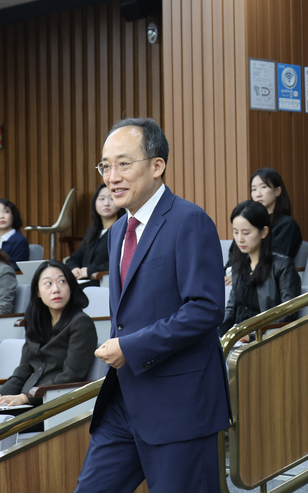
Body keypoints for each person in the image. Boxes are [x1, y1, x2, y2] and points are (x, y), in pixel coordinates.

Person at [75, 118, 231, 493]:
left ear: (157, 166)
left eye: (124, 164)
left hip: (178, 407)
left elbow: (206, 308)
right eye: (106, 166)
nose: (112, 176)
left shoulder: (188, 221)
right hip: (122, 401)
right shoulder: (115, 233)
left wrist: (130, 347)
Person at [0, 260, 96, 409]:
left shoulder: (81, 323)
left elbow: (71, 377)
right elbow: (23, 370)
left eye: (62, 281)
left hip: (53, 407)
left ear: (71, 287)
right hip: (26, 401)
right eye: (48, 283)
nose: (56, 289)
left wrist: (26, 398)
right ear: (38, 292)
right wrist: (2, 395)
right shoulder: (37, 322)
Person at [218, 200, 301, 338]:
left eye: (246, 233)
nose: (240, 239)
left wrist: (251, 336)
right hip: (237, 338)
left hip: (265, 340)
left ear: (264, 232)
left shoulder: (282, 266)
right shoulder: (239, 266)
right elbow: (230, 311)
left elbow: (288, 313)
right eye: (235, 232)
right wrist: (218, 335)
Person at [224, 168, 302, 284]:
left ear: (277, 191)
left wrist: (241, 276)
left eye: (263, 187)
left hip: (267, 281)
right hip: (240, 278)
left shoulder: (287, 224)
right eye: (254, 189)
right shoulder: (246, 222)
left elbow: (277, 259)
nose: (258, 194)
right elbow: (233, 259)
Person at [66, 184, 125, 288]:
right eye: (101, 199)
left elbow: (121, 262)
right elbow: (74, 258)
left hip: (104, 285)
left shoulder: (123, 231)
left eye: (111, 198)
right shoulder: (91, 232)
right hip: (83, 284)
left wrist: (89, 271)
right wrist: (74, 269)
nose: (106, 203)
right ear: (95, 203)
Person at [0, 198, 29, 270]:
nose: (1, 216)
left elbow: (14, 268)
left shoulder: (20, 241)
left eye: (6, 211)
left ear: (13, 215)